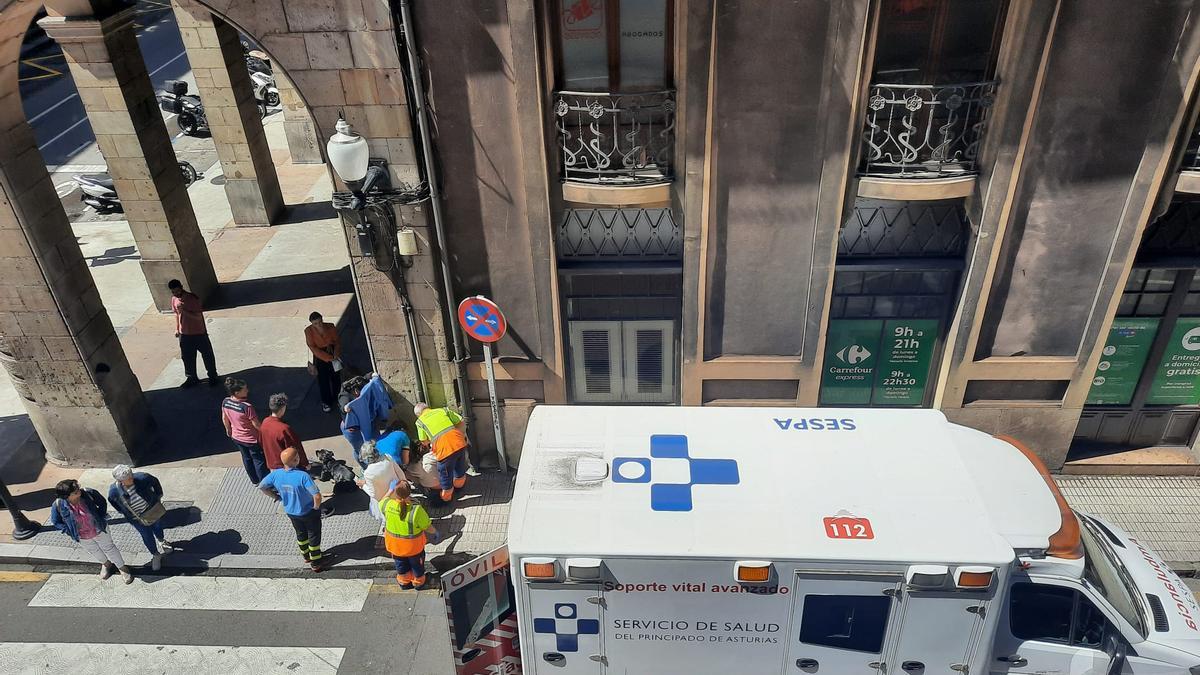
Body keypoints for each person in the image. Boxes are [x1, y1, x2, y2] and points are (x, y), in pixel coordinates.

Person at [50, 479, 134, 584]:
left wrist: (100, 515)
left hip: (99, 529)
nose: (79, 491)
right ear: (66, 496)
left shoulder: (88, 493)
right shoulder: (58, 504)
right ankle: (106, 564)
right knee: (94, 550)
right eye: (75, 492)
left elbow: (102, 502)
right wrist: (68, 530)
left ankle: (122, 567)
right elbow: (55, 521)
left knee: (109, 548)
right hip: (81, 536)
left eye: (78, 488)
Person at [259, 447, 325, 572]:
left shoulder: (276, 474)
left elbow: (262, 486)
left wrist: (276, 497)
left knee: (300, 534)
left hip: (291, 512)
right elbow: (316, 495)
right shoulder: (302, 476)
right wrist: (316, 507)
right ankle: (316, 561)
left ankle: (306, 556)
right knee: (314, 535)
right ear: (296, 460)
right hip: (308, 512)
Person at [107, 465, 175, 572]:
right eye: (128, 478)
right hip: (136, 519)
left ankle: (161, 540)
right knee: (146, 535)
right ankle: (155, 554)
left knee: (158, 526)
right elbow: (115, 504)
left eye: (131, 475)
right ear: (120, 481)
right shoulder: (114, 491)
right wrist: (127, 514)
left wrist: (158, 496)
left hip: (152, 510)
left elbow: (155, 482)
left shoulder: (142, 478)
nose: (132, 478)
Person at [379, 481, 438, 588]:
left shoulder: (387, 505)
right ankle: (418, 583)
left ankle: (404, 583)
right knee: (416, 566)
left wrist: (390, 490)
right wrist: (435, 532)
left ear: (395, 494)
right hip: (413, 549)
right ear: (409, 493)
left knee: (401, 566)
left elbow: (382, 500)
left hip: (395, 547)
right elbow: (427, 526)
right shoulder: (416, 510)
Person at [414, 402, 469, 502]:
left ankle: (446, 499)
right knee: (459, 470)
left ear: (418, 414)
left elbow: (424, 441)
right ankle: (459, 487)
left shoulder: (419, 422)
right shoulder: (443, 410)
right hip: (459, 444)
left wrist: (433, 440)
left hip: (444, 452)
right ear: (428, 408)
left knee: (445, 478)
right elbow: (461, 421)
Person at [168, 279, 218, 388]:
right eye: (173, 292)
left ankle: (213, 376)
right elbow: (176, 314)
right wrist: (177, 328)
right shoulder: (174, 299)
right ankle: (191, 377)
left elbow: (198, 317)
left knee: (207, 355)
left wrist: (184, 311)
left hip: (198, 332)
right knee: (187, 357)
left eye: (177, 291)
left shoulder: (191, 299)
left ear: (181, 287)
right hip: (184, 334)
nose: (176, 294)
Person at [342, 374, 394, 469]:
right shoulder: (344, 396)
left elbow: (368, 376)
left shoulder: (361, 382)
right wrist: (346, 408)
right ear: (355, 391)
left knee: (376, 445)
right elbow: (343, 405)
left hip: (369, 422)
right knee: (361, 450)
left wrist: (373, 376)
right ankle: (366, 468)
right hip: (354, 430)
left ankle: (378, 463)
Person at [222, 377, 268, 484]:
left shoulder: (226, 402)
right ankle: (265, 483)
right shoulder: (246, 407)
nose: (247, 390)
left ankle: (254, 480)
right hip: (251, 439)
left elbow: (225, 418)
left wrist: (228, 430)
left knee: (246, 458)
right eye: (245, 389)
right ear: (237, 392)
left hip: (236, 437)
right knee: (258, 460)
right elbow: (255, 424)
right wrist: (265, 433)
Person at [357, 441, 405, 525]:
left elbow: (373, 494)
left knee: (388, 519)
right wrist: (404, 485)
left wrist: (363, 485)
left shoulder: (368, 473)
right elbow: (400, 472)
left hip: (384, 499)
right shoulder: (387, 457)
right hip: (398, 492)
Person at [305, 312, 343, 413]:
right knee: (323, 380)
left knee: (336, 377)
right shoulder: (308, 331)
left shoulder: (330, 326)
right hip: (320, 355)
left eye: (320, 322)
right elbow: (312, 347)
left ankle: (338, 397)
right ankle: (326, 401)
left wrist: (336, 354)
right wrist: (328, 358)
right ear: (312, 323)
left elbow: (337, 341)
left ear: (322, 319)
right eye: (315, 324)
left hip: (332, 351)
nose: (319, 325)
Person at [260, 393, 308, 471]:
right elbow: (295, 448)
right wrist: (305, 463)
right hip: (286, 466)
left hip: (272, 464)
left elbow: (261, 441)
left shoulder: (264, 423)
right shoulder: (284, 429)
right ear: (282, 408)